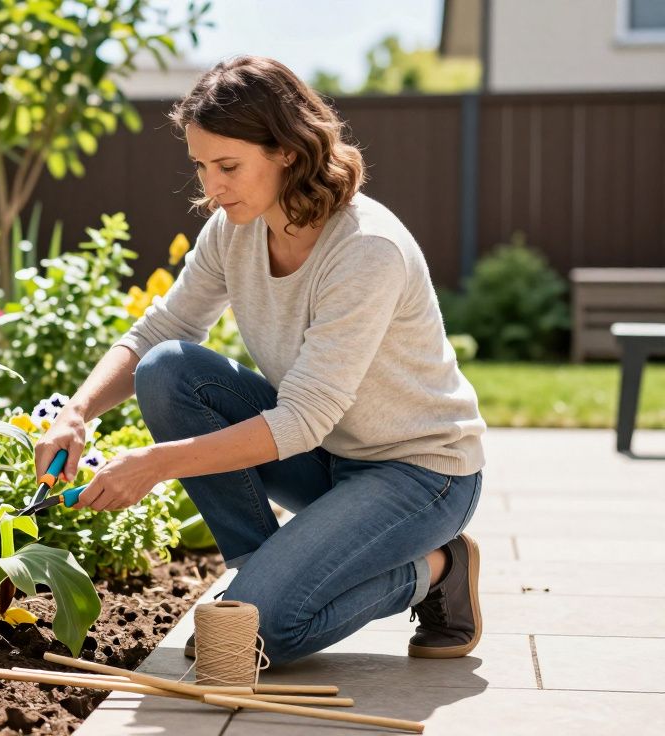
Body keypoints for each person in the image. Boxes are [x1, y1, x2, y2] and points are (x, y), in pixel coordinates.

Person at [33, 55, 486, 666]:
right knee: (168, 369)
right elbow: (164, 326)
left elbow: (301, 419)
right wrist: (77, 411)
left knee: (252, 644)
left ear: (289, 153)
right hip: (328, 457)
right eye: (200, 165)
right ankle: (257, 580)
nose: (211, 186)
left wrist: (154, 464)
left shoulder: (365, 250)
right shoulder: (233, 230)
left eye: (228, 166)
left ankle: (439, 565)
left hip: (421, 474)